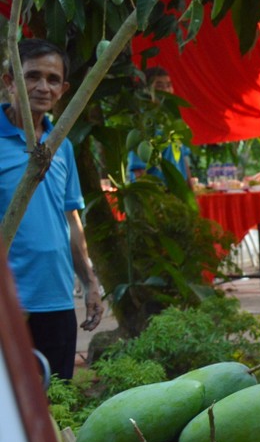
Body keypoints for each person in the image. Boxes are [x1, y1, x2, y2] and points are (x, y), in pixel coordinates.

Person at [0, 39, 105, 380]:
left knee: (56, 398)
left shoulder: (62, 146)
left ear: (64, 90)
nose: (43, 87)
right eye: (32, 76)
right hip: (7, 304)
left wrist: (89, 283)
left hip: (56, 300)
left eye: (53, 79)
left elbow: (70, 218)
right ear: (10, 81)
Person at [127, 67, 195, 189]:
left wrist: (190, 191)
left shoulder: (173, 120)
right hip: (158, 192)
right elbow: (139, 171)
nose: (166, 90)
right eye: (159, 86)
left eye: (168, 85)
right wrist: (152, 197)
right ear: (146, 90)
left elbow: (183, 160)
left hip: (177, 192)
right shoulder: (143, 123)